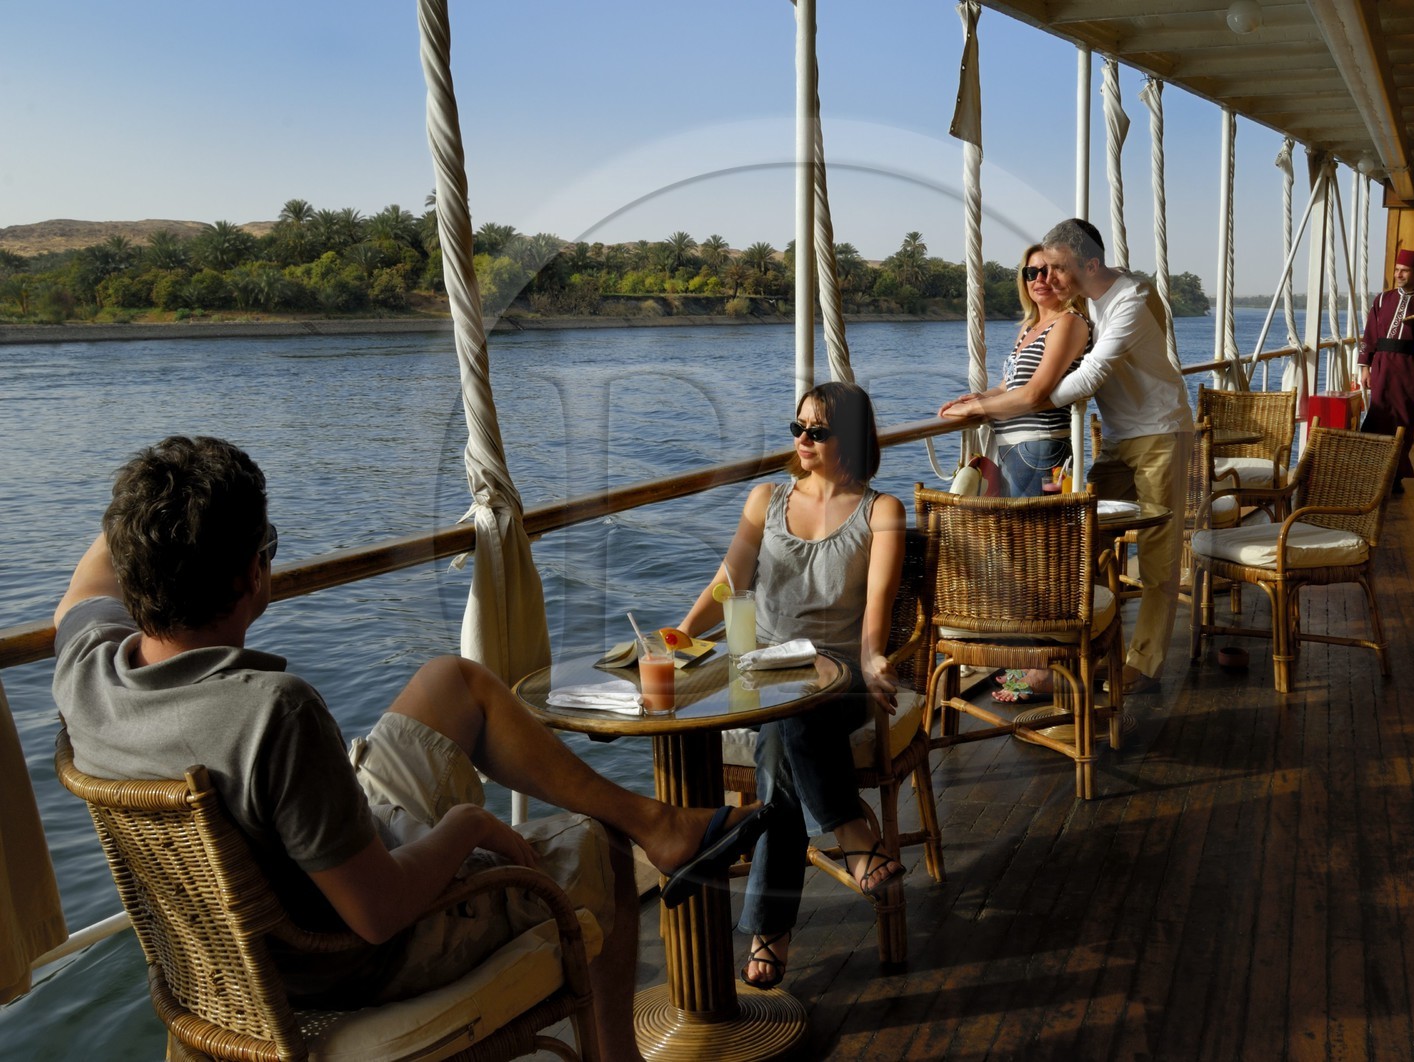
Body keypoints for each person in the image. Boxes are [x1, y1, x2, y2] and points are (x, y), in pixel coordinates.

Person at [52, 435, 770, 1062]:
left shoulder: (86, 668)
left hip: (235, 951)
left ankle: (661, 824)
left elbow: (97, 570)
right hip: (349, 957)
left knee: (452, 683)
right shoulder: (272, 710)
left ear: (139, 569)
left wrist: (164, 499)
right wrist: (470, 827)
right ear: (250, 577)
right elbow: (378, 913)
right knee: (599, 851)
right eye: (265, 551)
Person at [677, 381, 907, 991]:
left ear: (851, 439)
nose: (802, 440)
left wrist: (876, 659)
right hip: (767, 672)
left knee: (787, 725)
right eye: (797, 428)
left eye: (818, 431)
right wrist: (682, 635)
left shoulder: (881, 511)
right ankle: (855, 836)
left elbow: (875, 610)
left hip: (840, 676)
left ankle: (768, 935)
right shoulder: (766, 499)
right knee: (783, 723)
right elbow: (730, 582)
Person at [942, 219, 1192, 698]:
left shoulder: (1131, 299)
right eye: (1039, 270)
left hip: (1162, 431)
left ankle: (1142, 663)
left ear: (1088, 265)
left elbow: (1089, 376)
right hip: (1119, 436)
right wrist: (1002, 395)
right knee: (1081, 540)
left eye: (1057, 268)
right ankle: (1087, 649)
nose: (1048, 278)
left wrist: (1019, 398)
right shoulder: (1090, 304)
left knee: (1158, 554)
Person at [937, 243, 1093, 497]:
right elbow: (1008, 386)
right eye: (1031, 273)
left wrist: (973, 409)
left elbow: (1033, 394)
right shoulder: (1030, 328)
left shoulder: (1068, 323)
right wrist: (977, 397)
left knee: (1035, 536)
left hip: (1040, 448)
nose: (1040, 279)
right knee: (1018, 535)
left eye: (1049, 272)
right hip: (1015, 448)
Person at [1359, 248, 1414, 494]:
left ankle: (1395, 475)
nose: (1398, 275)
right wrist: (1365, 366)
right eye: (1397, 270)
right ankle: (1371, 472)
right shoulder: (1382, 300)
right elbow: (1370, 335)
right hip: (1382, 368)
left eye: (1404, 271)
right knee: (1378, 417)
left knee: (1403, 422)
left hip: (1410, 370)